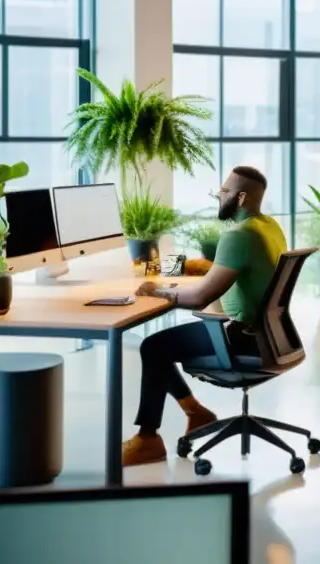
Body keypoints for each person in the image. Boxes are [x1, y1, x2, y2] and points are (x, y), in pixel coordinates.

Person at [122, 166, 287, 467]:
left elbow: (200, 297)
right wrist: (189, 270)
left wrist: (158, 292)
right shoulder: (268, 226)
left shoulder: (239, 235)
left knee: (153, 347)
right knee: (161, 345)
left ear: (240, 197)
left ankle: (148, 440)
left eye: (223, 192)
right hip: (273, 337)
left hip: (242, 340)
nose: (218, 196)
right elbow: (229, 273)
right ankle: (195, 413)